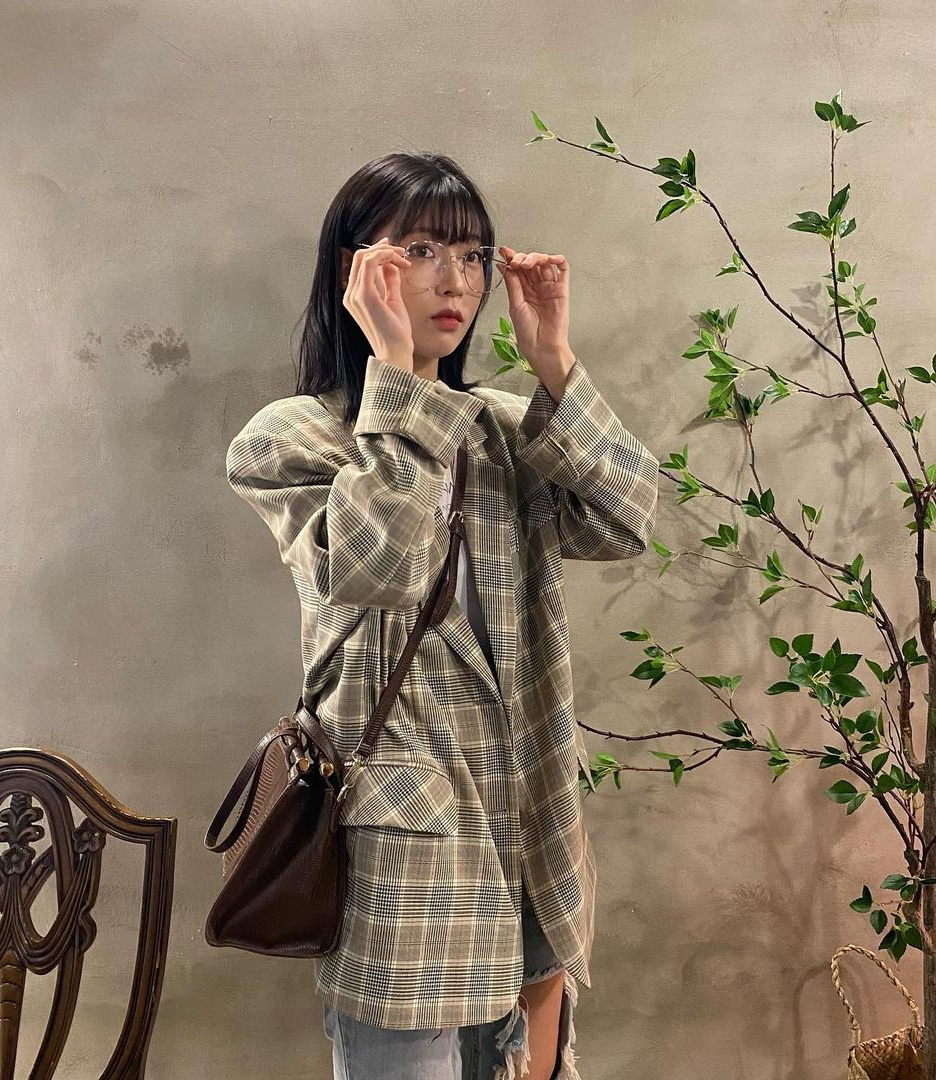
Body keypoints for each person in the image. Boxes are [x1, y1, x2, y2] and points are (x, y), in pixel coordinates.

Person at [225, 151, 659, 1079]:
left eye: (470, 254)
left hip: (531, 837)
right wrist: (396, 376)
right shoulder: (291, 436)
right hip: (406, 855)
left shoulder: (501, 425)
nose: (455, 279)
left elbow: (626, 520)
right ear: (354, 269)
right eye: (420, 250)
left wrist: (554, 363)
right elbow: (377, 567)